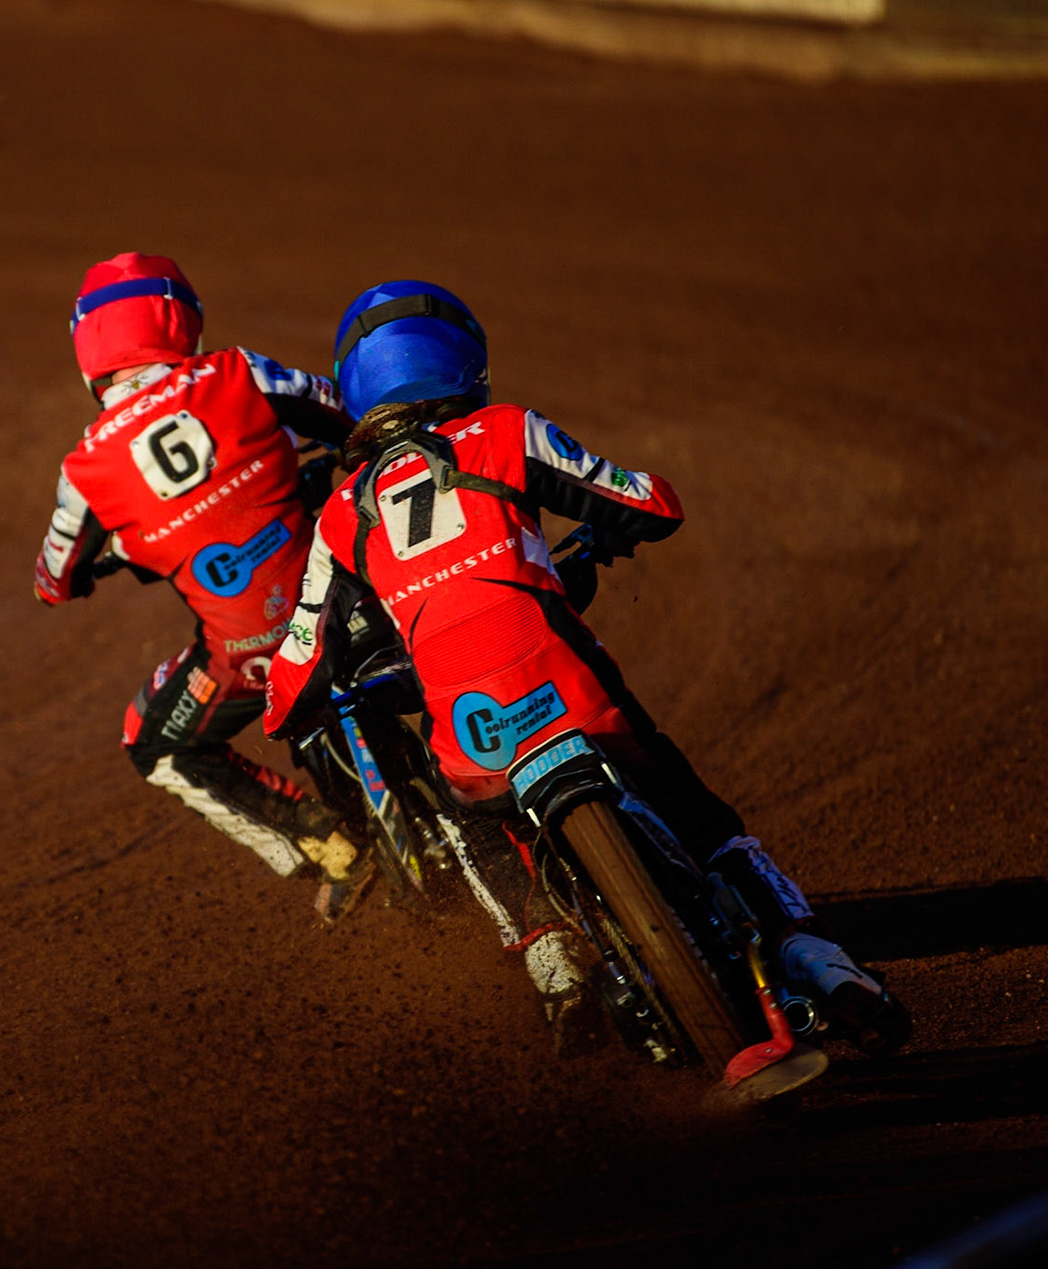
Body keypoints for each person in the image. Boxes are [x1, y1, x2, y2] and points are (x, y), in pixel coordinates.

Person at [264, 280, 909, 1060]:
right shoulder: (506, 431)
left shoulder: (340, 515)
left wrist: (291, 710)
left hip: (472, 733)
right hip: (569, 686)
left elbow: (297, 669)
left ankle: (548, 956)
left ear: (358, 391)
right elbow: (651, 503)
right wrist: (614, 526)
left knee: (476, 824)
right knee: (698, 818)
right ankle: (812, 951)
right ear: (466, 365)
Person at [34, 252, 368, 921]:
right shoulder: (239, 371)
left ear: (88, 348)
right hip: (353, 602)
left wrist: (114, 554)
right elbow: (344, 412)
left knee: (151, 741)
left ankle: (328, 844)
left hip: (250, 654)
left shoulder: (85, 469)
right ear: (178, 319)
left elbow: (53, 579)